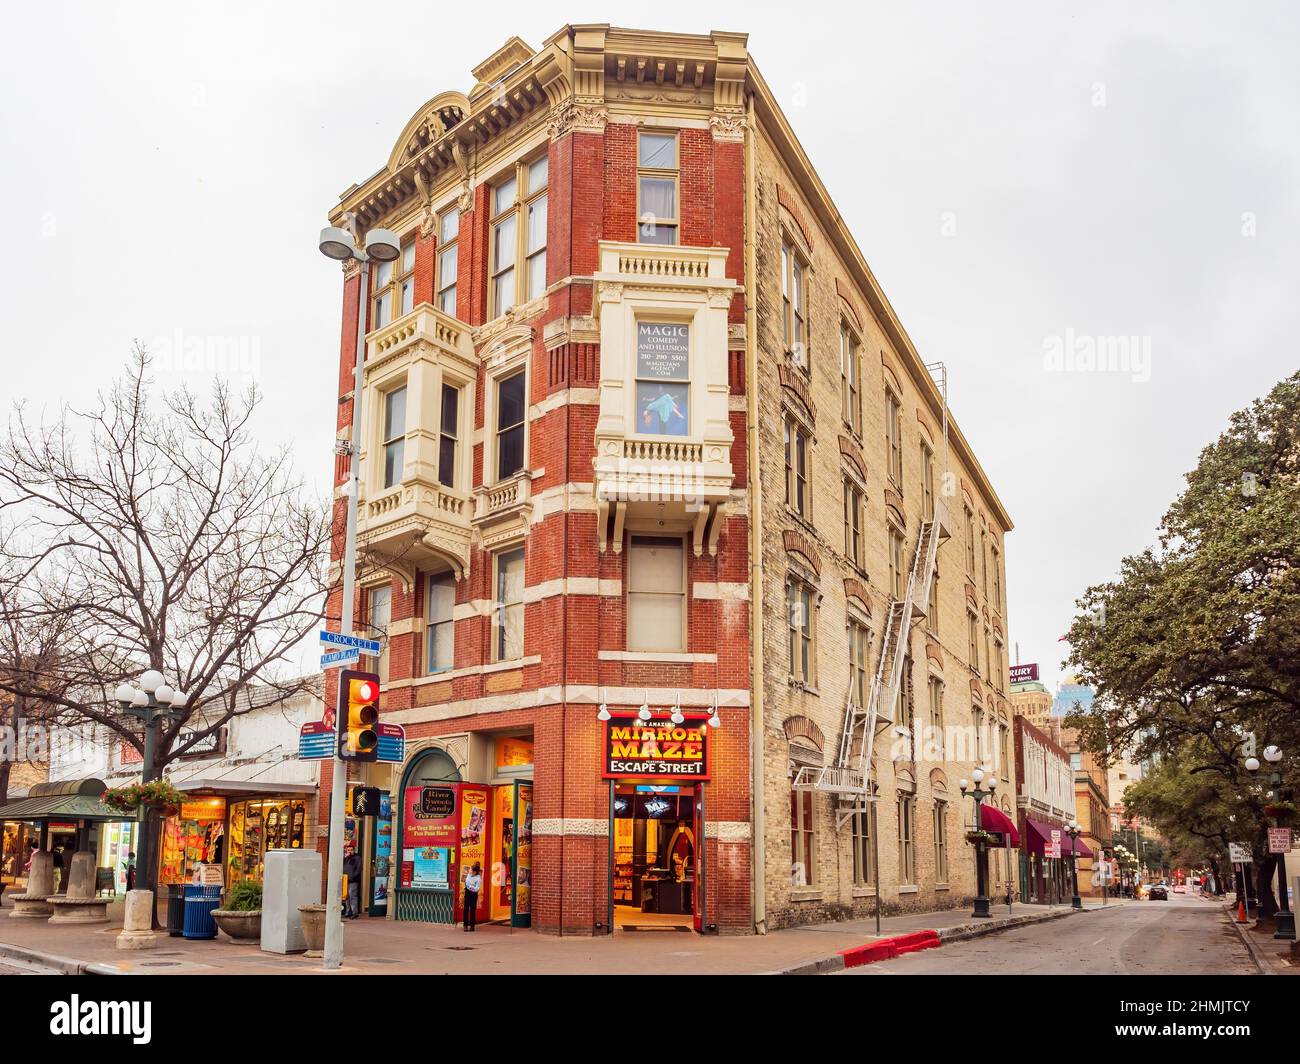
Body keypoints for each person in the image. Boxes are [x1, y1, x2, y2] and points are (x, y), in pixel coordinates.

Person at [342, 845, 362, 919]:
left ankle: (354, 912)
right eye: (348, 850)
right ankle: (348, 911)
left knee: (352, 895)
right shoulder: (346, 858)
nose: (349, 851)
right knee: (346, 896)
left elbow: (358, 869)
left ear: (354, 850)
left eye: (351, 850)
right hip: (345, 879)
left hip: (353, 880)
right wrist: (345, 857)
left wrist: (353, 876)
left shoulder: (357, 858)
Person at [463, 862, 482, 932]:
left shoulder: (478, 879)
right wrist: (468, 886)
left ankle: (472, 926)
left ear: (475, 872)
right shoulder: (469, 875)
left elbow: (476, 889)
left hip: (473, 894)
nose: (470, 871)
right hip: (467, 893)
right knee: (465, 909)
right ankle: (465, 925)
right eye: (470, 870)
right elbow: (466, 882)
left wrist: (470, 886)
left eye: (471, 870)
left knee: (472, 910)